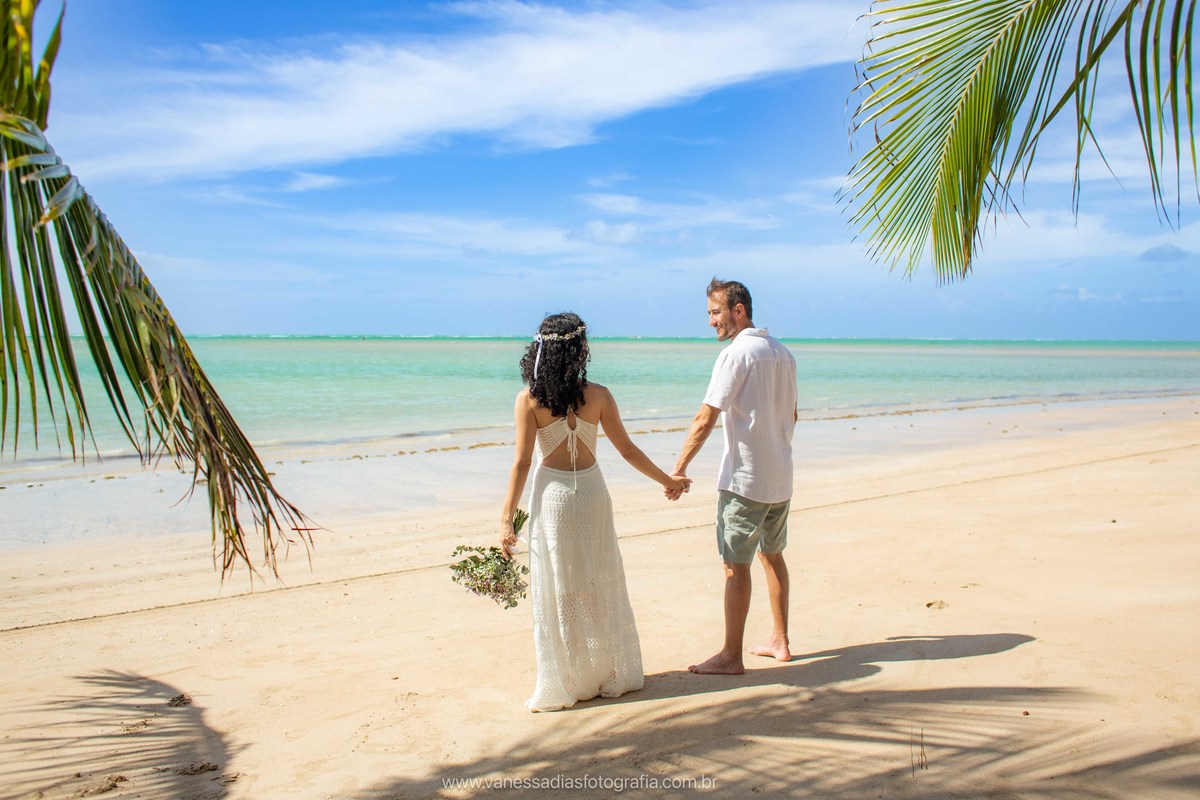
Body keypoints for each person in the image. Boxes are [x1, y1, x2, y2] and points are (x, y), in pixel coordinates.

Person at [500, 312, 689, 711]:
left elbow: (520, 464)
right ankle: (606, 671)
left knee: (560, 586)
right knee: (596, 581)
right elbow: (628, 451)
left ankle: (569, 678)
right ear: (579, 350)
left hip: (552, 500)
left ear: (539, 352)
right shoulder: (600, 395)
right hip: (591, 495)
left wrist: (506, 520)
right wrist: (667, 481)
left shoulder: (528, 400)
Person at [672, 278, 797, 675]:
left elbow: (706, 416)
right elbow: (792, 414)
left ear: (737, 310)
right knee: (772, 555)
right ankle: (780, 640)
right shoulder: (783, 352)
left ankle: (730, 655)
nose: (710, 321)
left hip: (745, 480)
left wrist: (678, 470)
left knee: (734, 565)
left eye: (714, 312)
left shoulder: (736, 354)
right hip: (780, 478)